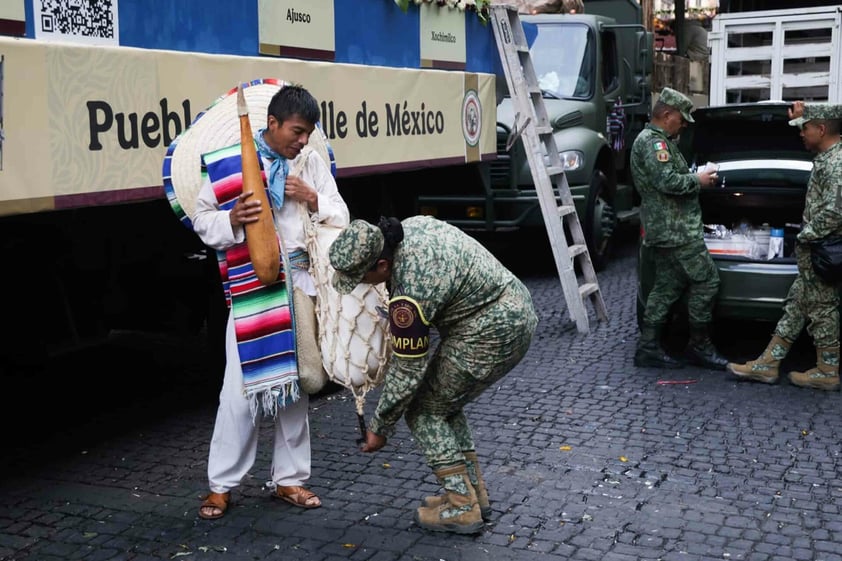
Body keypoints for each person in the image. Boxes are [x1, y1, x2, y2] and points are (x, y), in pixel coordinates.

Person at [191, 84, 350, 519]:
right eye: (297, 131)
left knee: (295, 385)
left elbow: (341, 215)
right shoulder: (230, 166)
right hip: (253, 291)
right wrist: (231, 219)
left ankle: (290, 479)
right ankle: (221, 485)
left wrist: (313, 198)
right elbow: (202, 219)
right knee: (238, 393)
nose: (302, 141)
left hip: (299, 284)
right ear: (273, 124)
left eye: (308, 133)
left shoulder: (311, 163)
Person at [328, 215, 538, 535]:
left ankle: (462, 507)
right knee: (444, 404)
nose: (360, 284)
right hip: (511, 307)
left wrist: (380, 427)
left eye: (361, 276)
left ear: (382, 265)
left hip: (492, 329)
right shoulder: (407, 230)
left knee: (424, 411)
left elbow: (408, 369)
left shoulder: (409, 291)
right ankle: (472, 493)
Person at [727, 102, 842, 391]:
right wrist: (802, 113)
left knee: (822, 311)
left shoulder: (837, 163)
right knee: (797, 307)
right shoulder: (829, 156)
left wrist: (806, 235)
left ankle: (827, 371)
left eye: (805, 128)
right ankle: (768, 364)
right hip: (817, 253)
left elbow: (836, 210)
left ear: (822, 129)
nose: (801, 134)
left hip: (823, 251)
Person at [631, 87, 727, 370]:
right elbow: (668, 182)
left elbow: (669, 178)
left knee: (665, 288)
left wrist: (694, 176)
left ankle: (648, 347)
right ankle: (699, 346)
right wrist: (699, 180)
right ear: (666, 114)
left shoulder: (660, 141)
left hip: (668, 230)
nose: (683, 124)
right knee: (707, 281)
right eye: (681, 119)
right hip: (676, 231)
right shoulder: (654, 143)